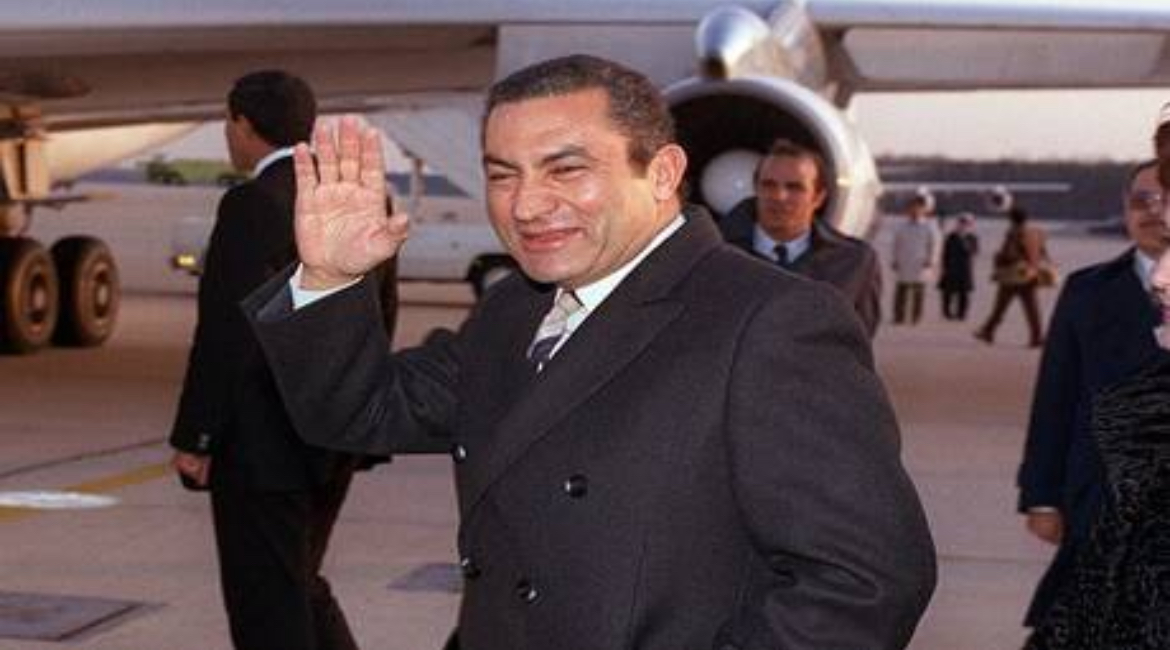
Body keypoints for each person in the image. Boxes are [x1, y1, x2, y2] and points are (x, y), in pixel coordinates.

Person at [244, 55, 936, 649]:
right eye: (503, 175)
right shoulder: (513, 310)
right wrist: (329, 278)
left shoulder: (769, 321)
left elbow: (866, 579)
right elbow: (360, 411)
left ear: (662, 173)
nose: (526, 205)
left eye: (566, 169)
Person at [169, 70, 393, 650]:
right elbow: (382, 314)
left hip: (263, 444)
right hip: (335, 436)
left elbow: (229, 332)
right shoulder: (359, 195)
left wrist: (196, 435)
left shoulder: (252, 203)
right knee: (301, 582)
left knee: (267, 603)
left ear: (242, 124)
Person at [1015, 159, 1167, 629]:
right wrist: (1041, 496)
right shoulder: (1087, 292)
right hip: (1100, 502)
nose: (1154, 210)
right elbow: (1055, 401)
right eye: (1142, 199)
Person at [718, 138, 882, 337]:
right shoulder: (715, 256)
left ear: (818, 197)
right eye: (769, 185)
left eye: (795, 187)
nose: (779, 196)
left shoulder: (854, 263)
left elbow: (858, 345)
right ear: (756, 189)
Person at [974, 206, 1051, 347]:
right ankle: (1037, 336)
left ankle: (988, 331)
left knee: (1000, 306)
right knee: (1032, 308)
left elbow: (1009, 253)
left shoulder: (1014, 233)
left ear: (1012, 219)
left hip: (1014, 275)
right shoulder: (1036, 232)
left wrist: (998, 258)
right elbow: (1043, 252)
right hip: (1031, 274)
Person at [890, 195, 941, 325]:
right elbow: (896, 244)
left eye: (918, 207)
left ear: (923, 209)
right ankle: (899, 316)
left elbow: (935, 245)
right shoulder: (901, 226)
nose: (914, 210)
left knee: (918, 291)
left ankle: (915, 317)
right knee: (902, 289)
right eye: (912, 207)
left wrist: (931, 260)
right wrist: (894, 259)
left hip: (921, 262)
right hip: (904, 260)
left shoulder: (929, 227)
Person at [937, 212, 979, 321]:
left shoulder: (972, 237)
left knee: (964, 293)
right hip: (951, 267)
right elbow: (945, 252)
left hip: (965, 268)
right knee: (948, 292)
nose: (963, 225)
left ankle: (962, 313)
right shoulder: (951, 236)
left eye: (966, 223)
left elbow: (974, 251)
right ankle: (947, 313)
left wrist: (965, 242)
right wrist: (943, 266)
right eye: (962, 222)